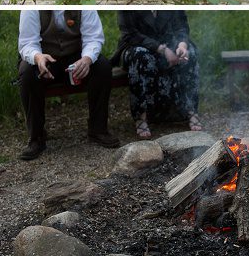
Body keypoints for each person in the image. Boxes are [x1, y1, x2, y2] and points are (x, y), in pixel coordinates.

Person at [17, 10, 120, 160]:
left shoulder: (83, 3)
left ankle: (98, 130)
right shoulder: (31, 8)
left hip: (75, 56)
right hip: (44, 57)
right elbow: (27, 43)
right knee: (27, 73)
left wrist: (87, 59)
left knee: (102, 67)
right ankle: (36, 138)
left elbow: (93, 38)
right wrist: (38, 58)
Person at [113, 10, 201, 140]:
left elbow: (181, 26)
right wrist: (162, 49)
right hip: (137, 46)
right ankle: (141, 117)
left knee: (190, 54)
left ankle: (191, 111)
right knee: (142, 57)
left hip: (169, 43)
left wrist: (181, 46)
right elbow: (130, 35)